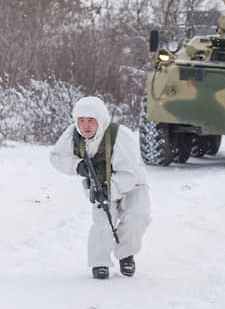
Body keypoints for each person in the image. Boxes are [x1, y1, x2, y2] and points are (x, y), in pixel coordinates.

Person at [50, 96, 151, 279]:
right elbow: (56, 157)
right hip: (98, 187)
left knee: (137, 217)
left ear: (100, 119)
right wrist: (76, 165)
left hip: (133, 185)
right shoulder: (73, 134)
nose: (85, 126)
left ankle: (126, 254)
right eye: (81, 120)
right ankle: (100, 262)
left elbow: (129, 173)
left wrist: (110, 189)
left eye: (91, 120)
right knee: (103, 221)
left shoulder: (121, 135)